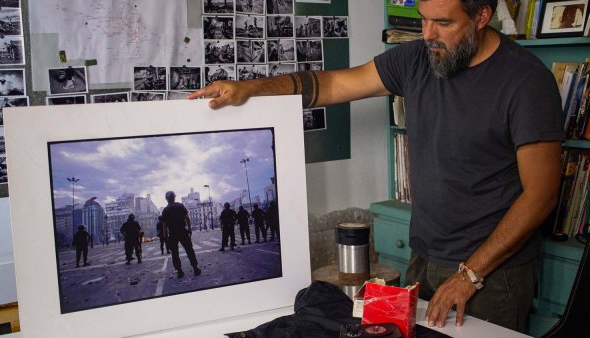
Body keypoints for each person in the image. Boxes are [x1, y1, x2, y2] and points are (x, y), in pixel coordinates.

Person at [187, 0, 564, 332]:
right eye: (423, 19)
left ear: (482, 15)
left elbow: (541, 195)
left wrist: (470, 275)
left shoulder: (526, 81)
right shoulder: (416, 58)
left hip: (492, 275)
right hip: (425, 256)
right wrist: (251, 89)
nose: (428, 34)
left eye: (444, 23)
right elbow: (330, 85)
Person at [162, 191, 201, 278]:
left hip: (172, 234)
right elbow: (187, 218)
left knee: (175, 253)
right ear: (174, 197)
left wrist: (165, 238)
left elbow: (164, 226)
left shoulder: (165, 210)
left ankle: (179, 271)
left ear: (166, 199)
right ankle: (195, 268)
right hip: (182, 231)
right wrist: (190, 229)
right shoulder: (180, 206)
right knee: (189, 250)